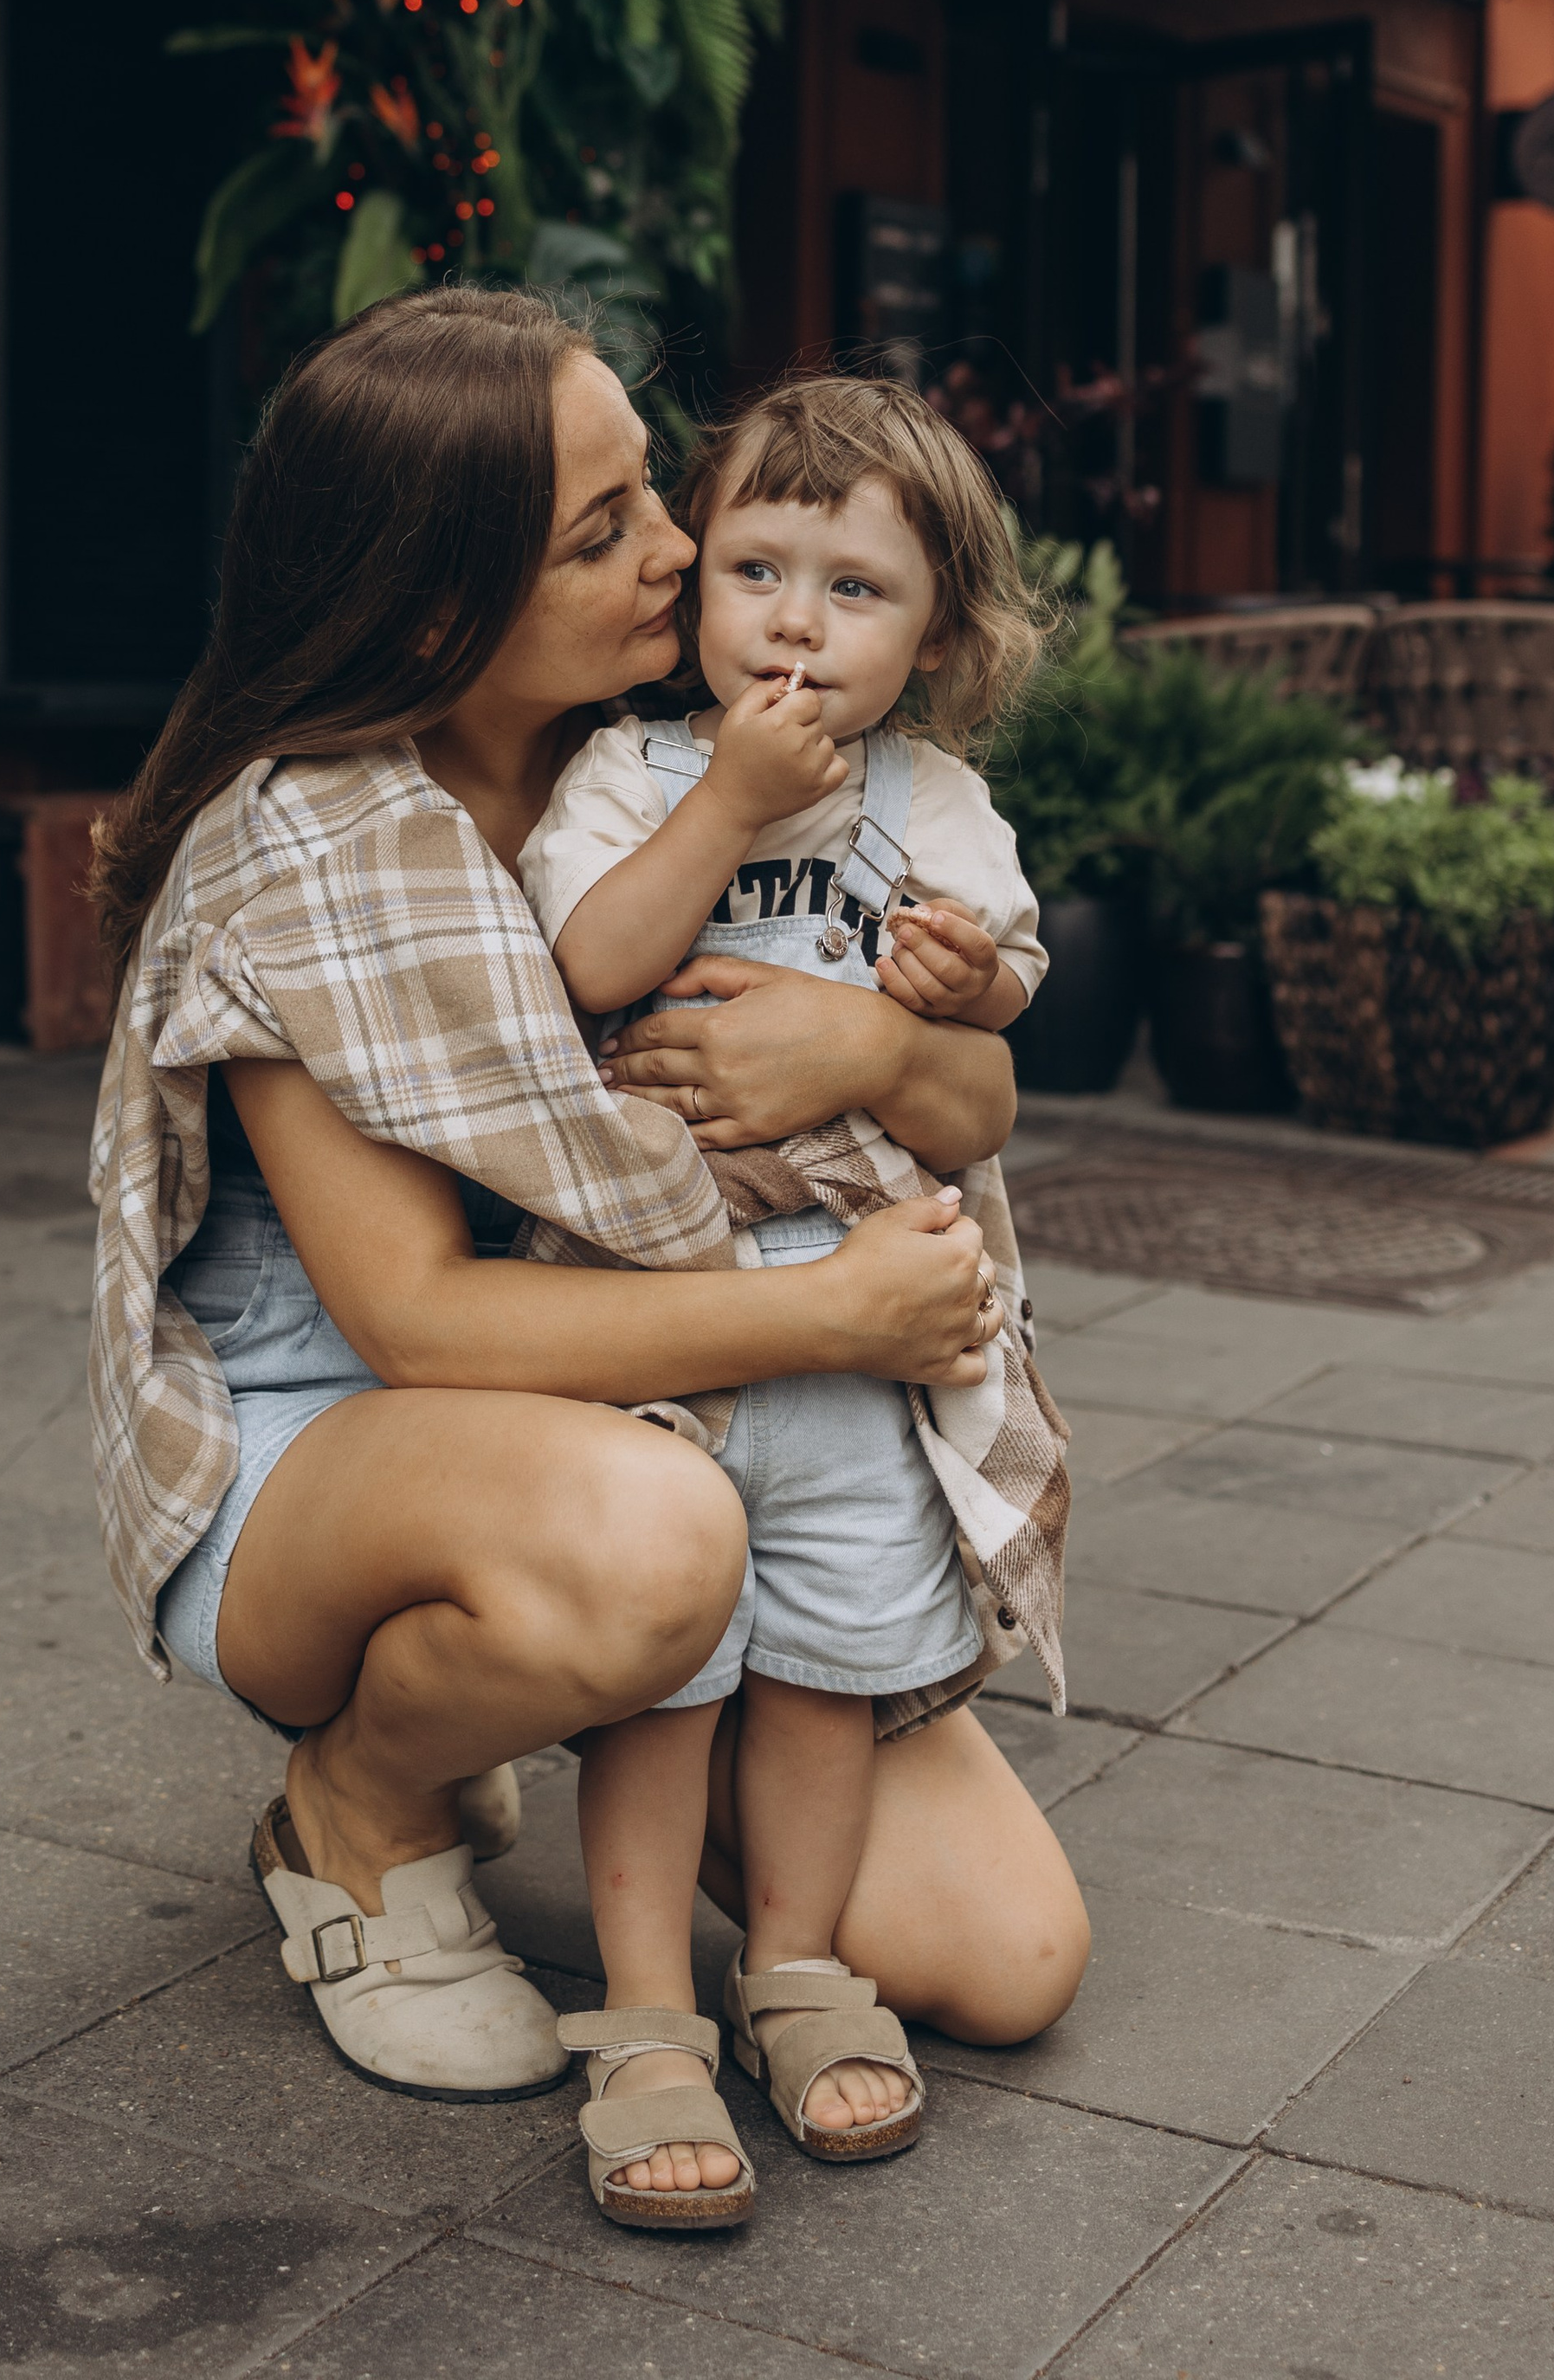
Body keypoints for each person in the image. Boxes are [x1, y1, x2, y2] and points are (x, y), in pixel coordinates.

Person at [84, 287, 1087, 2156]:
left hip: (649, 1398)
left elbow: (976, 1104)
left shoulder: (658, 768)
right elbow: (425, 1330)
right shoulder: (304, 853)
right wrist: (834, 1321)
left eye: (652, 495)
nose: (687, 549)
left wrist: (865, 1036)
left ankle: (581, 1702)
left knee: (1004, 1954)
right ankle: (364, 1798)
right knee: (650, 1542)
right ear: (432, 599)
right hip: (333, 1464)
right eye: (604, 526)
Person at [521, 376, 1067, 2223]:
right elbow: (588, 963)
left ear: (932, 644)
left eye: (853, 590)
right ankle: (647, 2013)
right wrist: (736, 802)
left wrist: (950, 986)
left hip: (859, 1314)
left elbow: (994, 1014)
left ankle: (796, 1966)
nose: (792, 622)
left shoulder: (936, 801)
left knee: (826, 1659)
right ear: (694, 584)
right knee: (668, 1676)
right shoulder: (633, 772)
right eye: (756, 567)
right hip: (656, 1294)